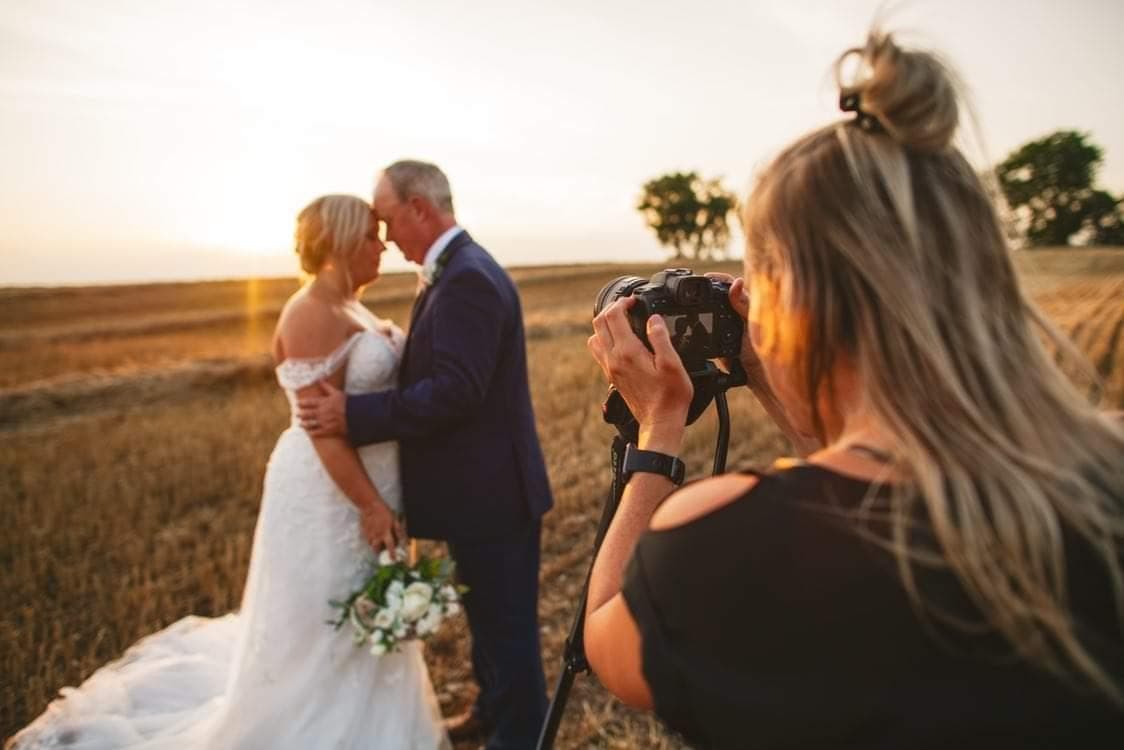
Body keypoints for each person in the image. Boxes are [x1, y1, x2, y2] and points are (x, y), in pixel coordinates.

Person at [583, 30, 1124, 749]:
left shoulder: (722, 542)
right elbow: (858, 468)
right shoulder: (1103, 465)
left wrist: (659, 427)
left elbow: (608, 638)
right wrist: (777, 375)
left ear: (801, 297)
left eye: (759, 281)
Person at [8, 195, 450, 750]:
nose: (381, 245)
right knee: (325, 620)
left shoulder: (354, 307)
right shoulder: (310, 312)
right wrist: (370, 505)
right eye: (370, 235)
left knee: (365, 611)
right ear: (338, 243)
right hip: (331, 493)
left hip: (374, 482)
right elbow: (322, 429)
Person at [298, 160, 554, 749]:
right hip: (483, 494)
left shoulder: (465, 278)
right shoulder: (458, 270)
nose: (384, 237)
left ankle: (518, 739)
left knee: (508, 634)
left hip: (493, 497)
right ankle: (491, 712)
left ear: (419, 208)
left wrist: (353, 415)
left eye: (387, 220)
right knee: (490, 626)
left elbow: (456, 392)